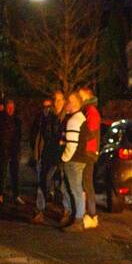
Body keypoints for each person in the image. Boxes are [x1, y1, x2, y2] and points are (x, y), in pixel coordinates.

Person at [60, 92, 91, 231]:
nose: (66, 104)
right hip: (79, 159)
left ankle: (78, 220)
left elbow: (72, 144)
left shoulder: (73, 120)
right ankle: (75, 217)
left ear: (73, 104)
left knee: (75, 190)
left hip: (73, 160)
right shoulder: (81, 118)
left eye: (68, 102)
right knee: (73, 189)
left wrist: (64, 158)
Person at [32, 92, 64, 224]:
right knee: (43, 182)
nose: (57, 103)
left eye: (59, 100)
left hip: (60, 156)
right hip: (46, 154)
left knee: (60, 185)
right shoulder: (46, 116)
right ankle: (40, 210)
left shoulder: (65, 117)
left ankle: (63, 211)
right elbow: (38, 134)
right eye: (55, 100)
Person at [78, 87, 101, 229]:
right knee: (85, 183)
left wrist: (79, 140)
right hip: (87, 151)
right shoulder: (88, 110)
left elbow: (90, 132)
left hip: (88, 152)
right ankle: (87, 213)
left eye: (81, 96)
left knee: (87, 184)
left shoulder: (90, 111)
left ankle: (92, 214)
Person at [0, 99, 23, 205]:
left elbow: (20, 135)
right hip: (3, 150)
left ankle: (16, 195)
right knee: (3, 174)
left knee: (15, 174)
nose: (10, 110)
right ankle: (0, 195)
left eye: (12, 108)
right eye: (8, 108)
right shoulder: (0, 119)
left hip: (14, 150)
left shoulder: (17, 120)